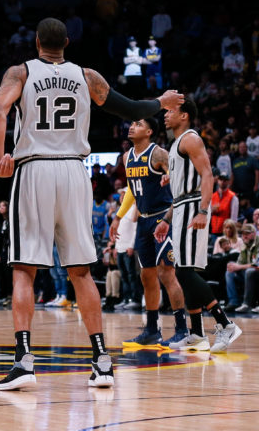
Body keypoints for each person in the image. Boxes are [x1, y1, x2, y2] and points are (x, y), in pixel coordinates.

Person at [0, 17, 184, 390]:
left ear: (36, 41)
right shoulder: (86, 75)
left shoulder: (21, 73)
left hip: (35, 169)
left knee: (24, 269)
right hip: (76, 173)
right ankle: (102, 362)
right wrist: (161, 101)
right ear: (67, 42)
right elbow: (129, 108)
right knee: (80, 271)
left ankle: (24, 361)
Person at [158, 100, 242, 352]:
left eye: (170, 111)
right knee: (184, 270)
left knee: (184, 271)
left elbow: (208, 174)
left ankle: (225, 324)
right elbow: (180, 191)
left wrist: (204, 210)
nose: (165, 115)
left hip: (194, 207)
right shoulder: (176, 144)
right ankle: (196, 333)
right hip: (182, 207)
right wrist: (166, 219)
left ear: (184, 115)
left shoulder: (190, 139)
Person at [110, 119, 190, 349]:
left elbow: (182, 181)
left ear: (149, 131)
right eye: (131, 123)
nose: (131, 126)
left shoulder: (159, 154)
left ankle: (182, 330)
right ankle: (152, 331)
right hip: (143, 221)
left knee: (167, 273)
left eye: (138, 124)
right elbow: (132, 192)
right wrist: (117, 216)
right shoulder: (127, 157)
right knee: (147, 276)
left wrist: (170, 178)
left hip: (163, 217)